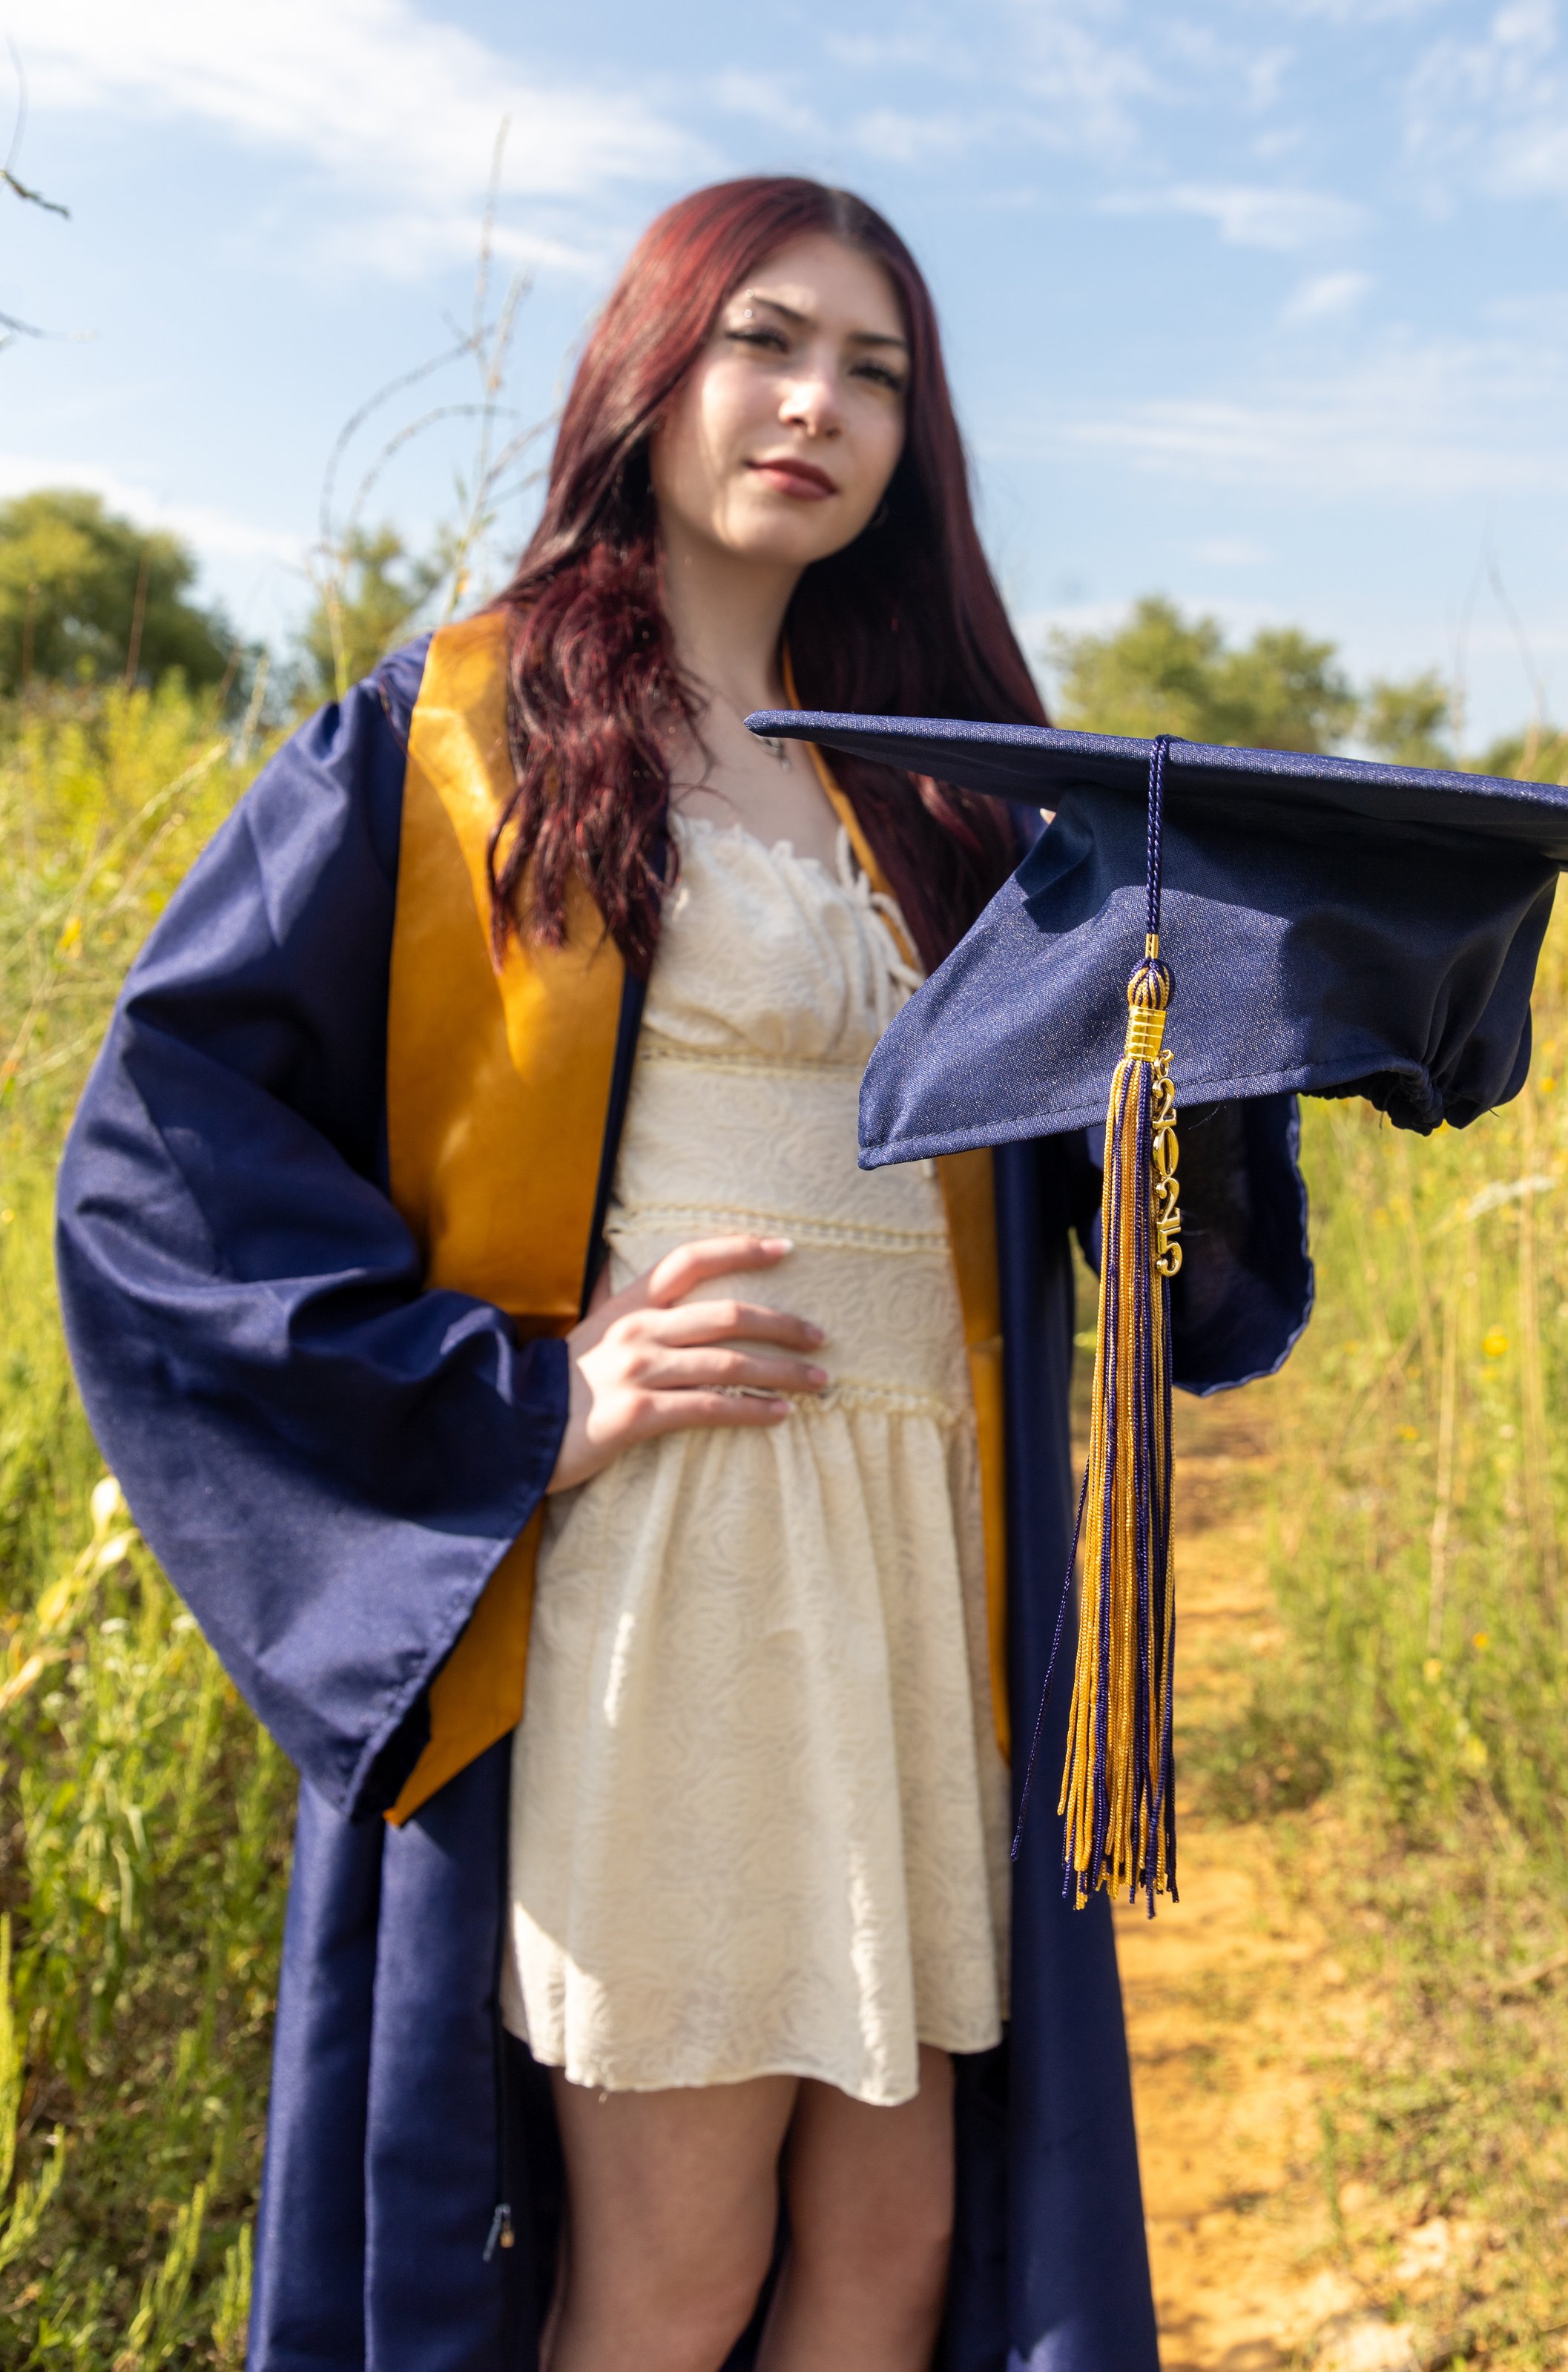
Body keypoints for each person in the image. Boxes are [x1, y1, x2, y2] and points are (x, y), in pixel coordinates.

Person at [56, 177, 1314, 2372]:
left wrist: (1299, 974)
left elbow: (1138, 1215)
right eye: (765, 340)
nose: (817, 404)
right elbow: (165, 1159)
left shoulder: (955, 788)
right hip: (683, 1552)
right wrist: (525, 1397)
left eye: (877, 372)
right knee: (670, 2258)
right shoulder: (461, 738)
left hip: (919, 1550)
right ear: (649, 372)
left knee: (895, 2244)